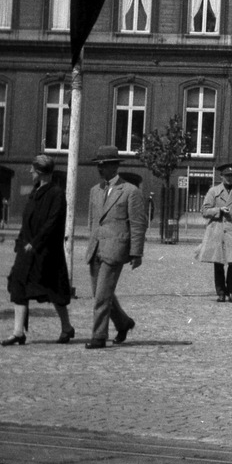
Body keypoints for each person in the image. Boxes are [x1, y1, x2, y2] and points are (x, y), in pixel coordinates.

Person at [2, 154, 76, 345]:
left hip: (46, 253)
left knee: (54, 290)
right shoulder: (34, 192)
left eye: (33, 169)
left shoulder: (56, 194)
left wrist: (35, 243)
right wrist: (21, 242)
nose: (30, 172)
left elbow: (52, 223)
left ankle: (67, 328)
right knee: (18, 285)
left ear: (41, 172)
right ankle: (18, 332)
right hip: (27, 251)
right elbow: (27, 221)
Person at [83, 145, 147, 350]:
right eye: (97, 165)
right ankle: (123, 323)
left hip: (115, 251)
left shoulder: (130, 192)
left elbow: (138, 224)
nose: (99, 169)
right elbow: (93, 221)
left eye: (103, 165)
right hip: (96, 250)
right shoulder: (95, 191)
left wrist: (136, 252)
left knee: (102, 296)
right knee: (101, 294)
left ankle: (98, 337)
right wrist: (91, 243)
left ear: (114, 166)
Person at [196, 162, 232, 302]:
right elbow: (204, 211)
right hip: (218, 231)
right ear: (221, 176)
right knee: (218, 263)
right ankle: (221, 292)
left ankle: (230, 290)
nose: (229, 178)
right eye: (227, 176)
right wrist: (219, 210)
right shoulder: (213, 192)